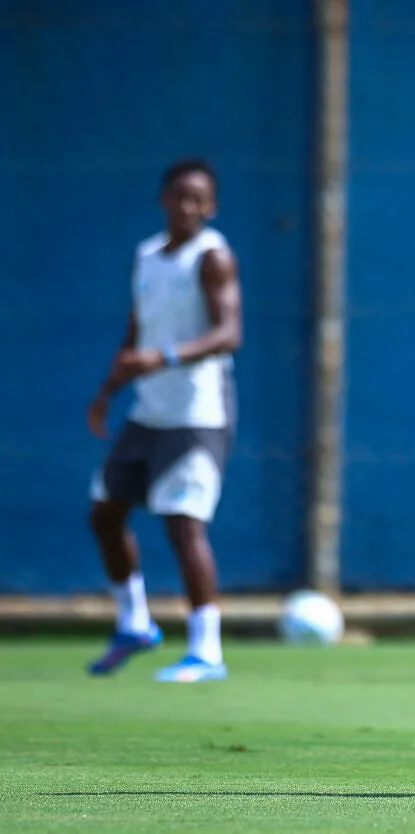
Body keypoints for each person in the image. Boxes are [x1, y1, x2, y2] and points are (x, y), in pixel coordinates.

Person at [85, 158, 242, 684]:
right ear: (164, 199)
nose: (188, 207)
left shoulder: (213, 257)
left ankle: (206, 651)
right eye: (180, 196)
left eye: (199, 199)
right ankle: (134, 622)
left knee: (183, 524)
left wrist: (165, 357)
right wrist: (108, 391)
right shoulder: (147, 255)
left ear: (211, 207)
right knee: (105, 512)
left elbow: (229, 333)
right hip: (148, 411)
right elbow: (138, 329)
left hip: (198, 414)